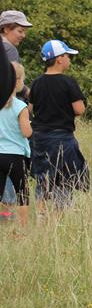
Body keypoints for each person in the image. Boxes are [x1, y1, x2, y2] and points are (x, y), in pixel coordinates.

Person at [29, 40, 89, 210]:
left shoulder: (36, 82)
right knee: (64, 177)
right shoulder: (68, 82)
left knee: (43, 176)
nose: (70, 59)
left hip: (39, 137)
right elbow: (79, 109)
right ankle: (58, 215)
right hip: (62, 136)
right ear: (59, 59)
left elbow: (31, 109)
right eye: (68, 56)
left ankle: (41, 215)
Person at [0, 10, 32, 207]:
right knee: (15, 187)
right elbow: (10, 80)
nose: (23, 35)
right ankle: (9, 215)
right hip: (11, 110)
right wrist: (28, 93)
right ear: (5, 29)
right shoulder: (9, 50)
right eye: (19, 30)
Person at [0, 63, 32, 225]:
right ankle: (24, 226)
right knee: (22, 192)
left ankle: (4, 218)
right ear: (18, 82)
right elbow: (26, 133)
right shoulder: (20, 106)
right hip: (15, 155)